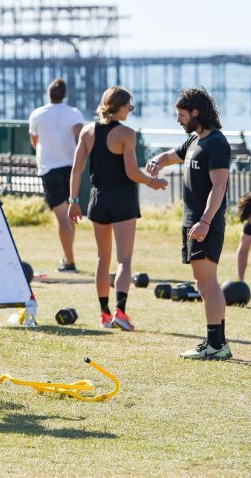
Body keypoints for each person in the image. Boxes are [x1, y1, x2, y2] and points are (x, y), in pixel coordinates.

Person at [68, 87, 168, 331]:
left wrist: (73, 201)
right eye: (129, 108)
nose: (129, 112)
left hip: (98, 199)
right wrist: (153, 182)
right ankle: (121, 313)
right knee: (124, 260)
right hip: (122, 199)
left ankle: (104, 315)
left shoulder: (87, 132)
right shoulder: (126, 134)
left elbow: (76, 170)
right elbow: (131, 172)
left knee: (103, 259)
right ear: (121, 107)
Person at [147, 87, 232, 360]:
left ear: (196, 112)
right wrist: (157, 161)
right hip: (194, 222)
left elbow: (219, 186)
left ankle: (215, 344)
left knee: (207, 284)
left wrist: (205, 221)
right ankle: (218, 342)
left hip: (204, 223)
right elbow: (172, 156)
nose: (178, 120)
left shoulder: (216, 143)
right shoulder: (195, 140)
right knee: (205, 283)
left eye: (181, 115)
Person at [28, 78, 84, 272]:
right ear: (65, 95)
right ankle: (68, 255)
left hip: (48, 167)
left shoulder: (37, 114)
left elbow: (34, 142)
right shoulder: (73, 113)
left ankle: (69, 261)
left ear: (48, 94)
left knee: (61, 217)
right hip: (70, 166)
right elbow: (81, 134)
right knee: (70, 214)